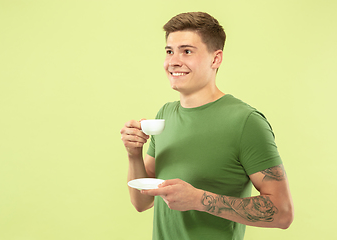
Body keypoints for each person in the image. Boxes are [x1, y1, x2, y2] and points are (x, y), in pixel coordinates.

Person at [120, 12, 293, 240]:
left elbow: (282, 213)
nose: (173, 61)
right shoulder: (165, 115)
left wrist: (199, 200)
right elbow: (142, 202)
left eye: (187, 51)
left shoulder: (245, 122)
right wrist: (134, 154)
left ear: (216, 59)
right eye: (170, 51)